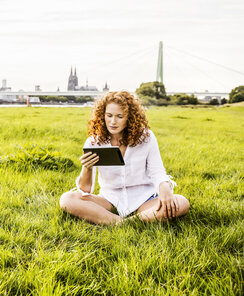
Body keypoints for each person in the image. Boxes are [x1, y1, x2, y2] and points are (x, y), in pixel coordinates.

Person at [59, 91, 190, 225]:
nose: (113, 122)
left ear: (129, 118)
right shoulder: (94, 142)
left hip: (145, 200)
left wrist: (165, 188)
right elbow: (86, 190)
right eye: (109, 115)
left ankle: (123, 223)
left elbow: (157, 171)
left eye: (119, 116)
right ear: (102, 115)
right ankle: (126, 222)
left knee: (181, 202)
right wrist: (87, 168)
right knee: (67, 199)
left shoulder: (146, 138)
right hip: (110, 200)